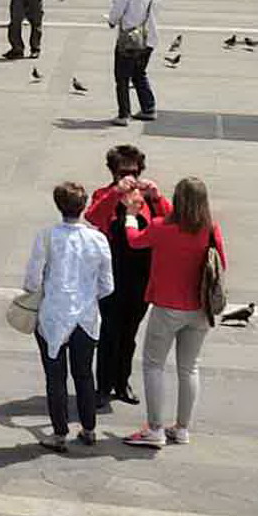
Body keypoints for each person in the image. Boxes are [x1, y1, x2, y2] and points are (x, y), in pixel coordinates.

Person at [128, 174, 225, 448]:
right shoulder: (210, 229)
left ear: (177, 200)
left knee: (153, 365)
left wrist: (130, 216)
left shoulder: (161, 227)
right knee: (189, 367)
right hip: (200, 309)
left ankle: (155, 429)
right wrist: (156, 198)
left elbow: (135, 240)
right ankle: (182, 428)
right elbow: (222, 262)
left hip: (167, 307)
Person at [22, 180, 111, 452]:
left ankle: (59, 433)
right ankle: (89, 428)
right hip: (85, 317)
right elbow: (108, 286)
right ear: (84, 207)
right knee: (84, 374)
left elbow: (32, 282)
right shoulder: (98, 239)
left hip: (53, 316)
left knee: (55, 377)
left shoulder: (46, 236)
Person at [88, 145, 166, 408]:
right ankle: (103, 386)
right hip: (111, 275)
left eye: (133, 172)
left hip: (141, 277)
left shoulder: (146, 200)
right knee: (109, 331)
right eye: (123, 173)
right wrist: (116, 192)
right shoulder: (104, 194)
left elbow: (170, 223)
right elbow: (94, 216)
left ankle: (122, 382)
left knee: (129, 333)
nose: (129, 177)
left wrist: (156, 197)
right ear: (113, 172)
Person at [105, 0, 160, 122]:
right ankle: (148, 108)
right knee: (139, 73)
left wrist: (111, 21)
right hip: (149, 38)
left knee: (122, 77)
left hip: (130, 40)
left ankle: (124, 114)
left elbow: (116, 12)